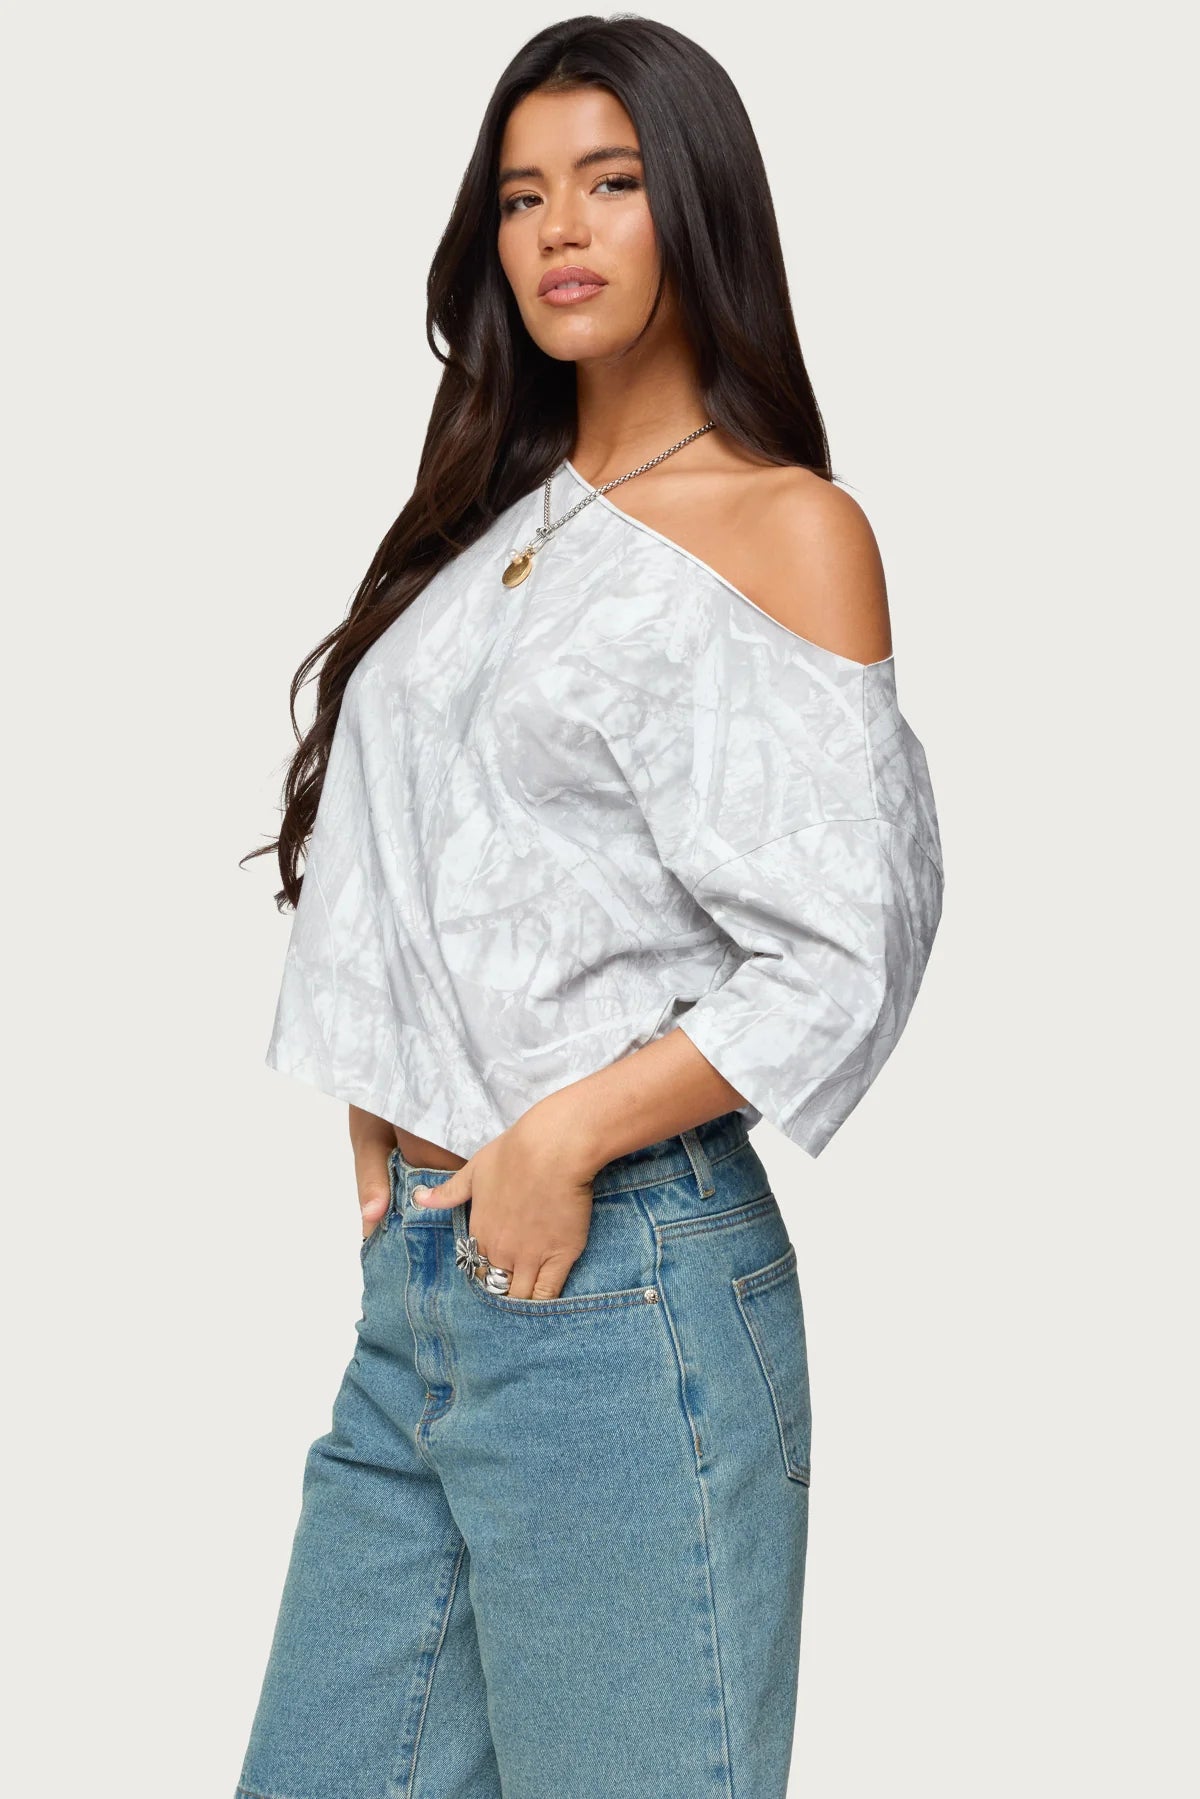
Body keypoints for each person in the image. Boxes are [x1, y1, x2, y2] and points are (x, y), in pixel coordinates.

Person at [235, 16, 944, 1799]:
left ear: (694, 205)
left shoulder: (783, 525)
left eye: (611, 183)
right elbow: (421, 854)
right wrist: (383, 1113)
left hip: (622, 1285)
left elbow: (846, 948)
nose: (560, 227)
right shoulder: (500, 522)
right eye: (523, 193)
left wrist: (565, 1139)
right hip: (427, 1296)